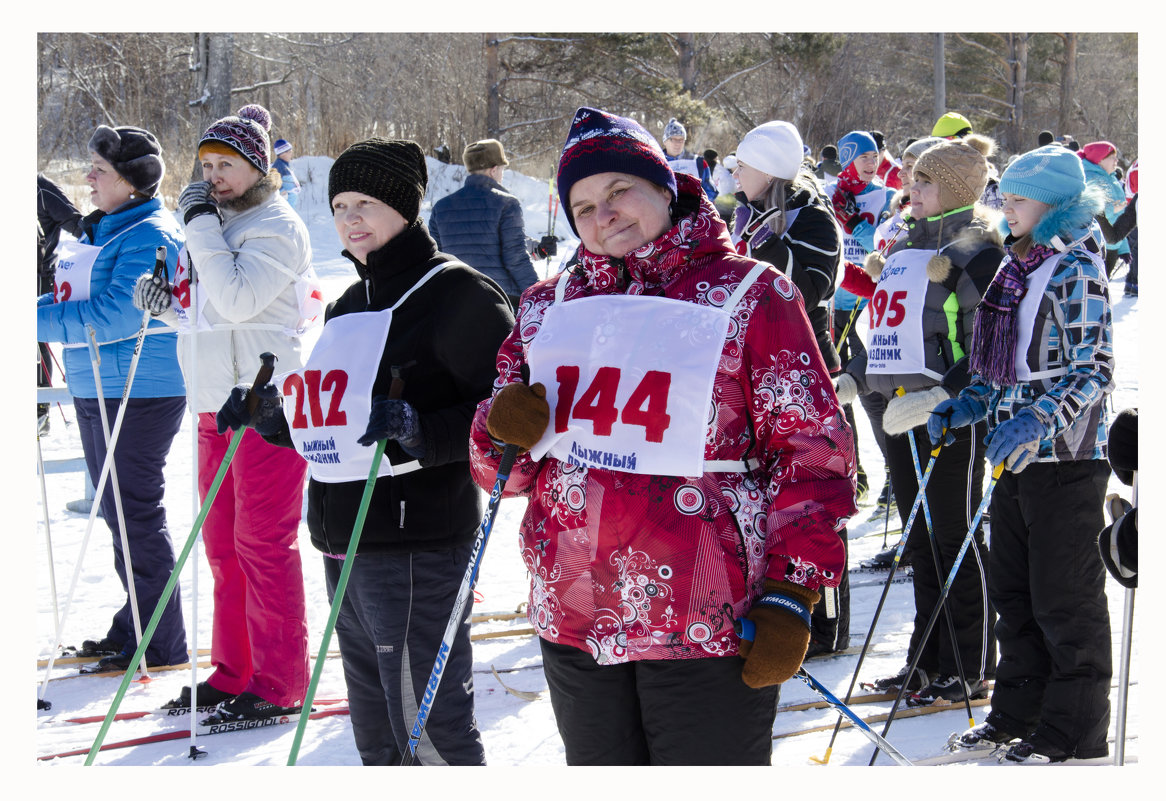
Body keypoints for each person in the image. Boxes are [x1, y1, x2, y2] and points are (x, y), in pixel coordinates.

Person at [469, 106, 856, 765]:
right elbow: (499, 472)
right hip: (576, 619)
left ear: (664, 187)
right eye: (583, 204)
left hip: (707, 619)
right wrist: (498, 428)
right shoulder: (548, 308)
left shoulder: (753, 296)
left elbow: (814, 455)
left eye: (620, 190)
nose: (604, 214)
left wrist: (794, 592)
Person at [218, 137, 513, 764]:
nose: (351, 219)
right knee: (376, 733)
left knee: (427, 728)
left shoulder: (456, 292)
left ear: (405, 208)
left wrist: (421, 428)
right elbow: (341, 417)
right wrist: (278, 421)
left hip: (418, 539)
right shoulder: (350, 303)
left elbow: (510, 412)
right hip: (343, 534)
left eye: (368, 203)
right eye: (341, 205)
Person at [932, 144, 1114, 763]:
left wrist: (1040, 418)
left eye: (1018, 199)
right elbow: (1000, 364)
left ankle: (1075, 728)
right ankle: (1019, 711)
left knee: (1065, 599)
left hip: (1065, 460)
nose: (1005, 208)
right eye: (1003, 197)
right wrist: (971, 401)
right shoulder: (1018, 265)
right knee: (1013, 594)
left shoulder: (1077, 267)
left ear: (1057, 203)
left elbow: (1094, 370)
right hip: (1012, 458)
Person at [134, 103, 316, 719]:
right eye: (206, 165)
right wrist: (167, 309)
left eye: (228, 165)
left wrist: (199, 225)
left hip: (266, 407)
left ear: (258, 167)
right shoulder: (216, 223)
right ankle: (234, 668)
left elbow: (240, 302)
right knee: (221, 547)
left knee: (263, 545)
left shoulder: (276, 224)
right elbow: (213, 316)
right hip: (215, 404)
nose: (214, 176)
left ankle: (279, 680)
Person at [836, 135, 1003, 706]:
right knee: (922, 540)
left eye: (926, 181)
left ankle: (970, 662)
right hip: (896, 406)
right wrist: (855, 375)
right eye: (914, 179)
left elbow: (991, 343)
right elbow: (885, 328)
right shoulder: (905, 245)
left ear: (954, 188)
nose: (912, 187)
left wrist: (947, 396)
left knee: (954, 537)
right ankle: (926, 661)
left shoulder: (977, 251)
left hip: (946, 413)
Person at [37, 125, 189, 669]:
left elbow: (117, 316)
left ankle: (161, 639)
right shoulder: (106, 229)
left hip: (138, 389)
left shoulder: (151, 234)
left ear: (130, 181)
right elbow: (75, 296)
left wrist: (32, 319)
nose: (87, 179)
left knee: (133, 511)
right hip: (97, 384)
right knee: (117, 510)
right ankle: (137, 623)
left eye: (99, 171)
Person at [729, 119, 848, 657]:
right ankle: (773, 602)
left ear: (771, 169)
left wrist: (763, 249)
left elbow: (807, 286)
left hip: (806, 370)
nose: (734, 170)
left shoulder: (813, 219)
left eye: (745, 163)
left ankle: (826, 622)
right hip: (756, 372)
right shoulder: (747, 215)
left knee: (812, 495)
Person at [824, 130, 896, 504]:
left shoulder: (885, 196)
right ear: (847, 159)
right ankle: (853, 473)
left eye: (875, 157)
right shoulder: (827, 194)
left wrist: (857, 224)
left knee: (874, 392)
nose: (872, 164)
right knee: (839, 392)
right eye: (863, 157)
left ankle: (894, 472)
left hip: (873, 302)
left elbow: (884, 245)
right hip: (835, 303)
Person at [429, 138, 540, 310]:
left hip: (457, 303)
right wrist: (538, 295)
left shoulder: (441, 208)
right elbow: (516, 259)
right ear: (494, 170)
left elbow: (436, 261)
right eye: (502, 169)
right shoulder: (507, 204)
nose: (502, 175)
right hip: (501, 301)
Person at [37, 174, 84, 432]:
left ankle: (39, 410)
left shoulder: (40, 189)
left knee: (37, 339)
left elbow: (79, 224)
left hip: (39, 278)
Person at [1078, 141, 1129, 276]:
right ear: (1100, 160)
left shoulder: (1112, 179)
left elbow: (1120, 218)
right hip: (1098, 244)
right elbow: (1089, 210)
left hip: (1112, 244)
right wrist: (1113, 209)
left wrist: (1123, 247)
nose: (1116, 160)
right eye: (1112, 157)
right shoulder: (1091, 178)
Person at [661, 116, 717, 200]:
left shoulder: (698, 163)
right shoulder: (656, 162)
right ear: (665, 141)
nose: (678, 143)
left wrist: (699, 203)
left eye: (681, 140)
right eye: (673, 139)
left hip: (693, 210)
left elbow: (711, 191)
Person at [272, 138, 301, 209]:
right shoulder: (279, 165)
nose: (291, 153)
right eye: (289, 152)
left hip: (290, 204)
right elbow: (273, 179)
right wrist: (282, 191)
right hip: (285, 205)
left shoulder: (285, 165)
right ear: (283, 153)